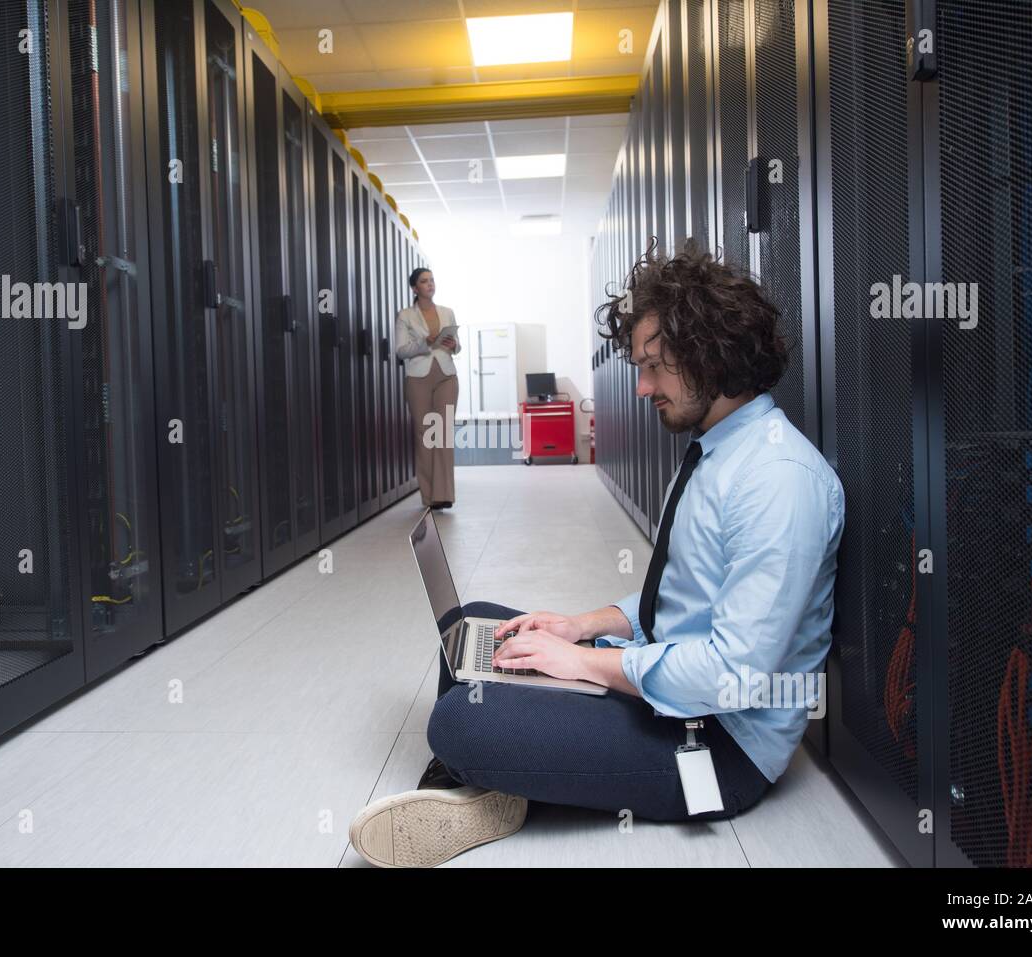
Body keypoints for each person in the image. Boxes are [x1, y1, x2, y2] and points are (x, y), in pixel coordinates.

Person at [348, 238, 845, 868]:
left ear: (710, 354)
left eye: (654, 365)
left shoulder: (778, 478)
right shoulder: (720, 450)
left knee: (459, 723)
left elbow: (733, 675)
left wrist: (586, 666)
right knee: (478, 621)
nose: (641, 388)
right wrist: (580, 628)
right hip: (668, 682)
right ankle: (493, 778)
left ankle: (481, 773)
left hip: (717, 742)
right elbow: (679, 598)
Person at [396, 267, 460, 510]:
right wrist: (426, 343)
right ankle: (429, 495)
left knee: (442, 432)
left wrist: (453, 344)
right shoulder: (405, 316)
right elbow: (401, 351)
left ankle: (444, 495)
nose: (430, 284)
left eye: (432, 280)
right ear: (415, 288)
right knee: (425, 435)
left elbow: (457, 347)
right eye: (424, 281)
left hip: (446, 374)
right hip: (418, 377)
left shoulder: (447, 312)